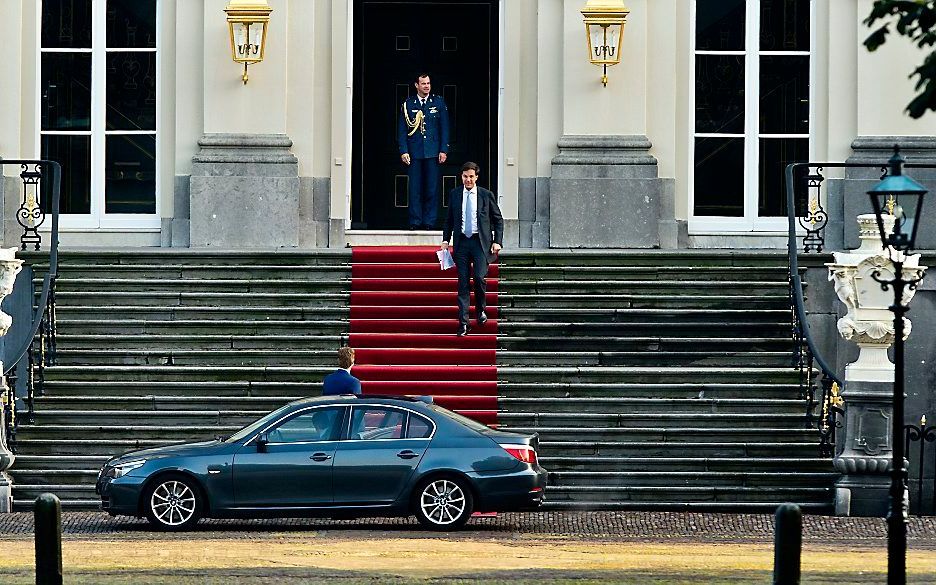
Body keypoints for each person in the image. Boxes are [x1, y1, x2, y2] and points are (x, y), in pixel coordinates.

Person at [441, 161, 504, 337]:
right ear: (461, 177)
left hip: (480, 243)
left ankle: (481, 310)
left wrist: (497, 241)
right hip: (461, 243)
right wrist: (446, 240)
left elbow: (498, 219)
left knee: (478, 277)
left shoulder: (486, 195)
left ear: (476, 177)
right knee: (462, 283)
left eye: (471, 176)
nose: (468, 180)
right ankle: (463, 323)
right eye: (465, 176)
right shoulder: (454, 194)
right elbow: (449, 220)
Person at [397, 73, 450, 230]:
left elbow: (444, 127)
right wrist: (403, 150)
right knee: (415, 189)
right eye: (423, 83)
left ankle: (429, 222)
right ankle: (415, 221)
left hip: (433, 152)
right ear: (416, 85)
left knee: (431, 188)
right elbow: (402, 129)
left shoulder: (438, 102)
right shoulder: (409, 104)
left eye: (428, 83)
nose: (426, 86)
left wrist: (443, 149)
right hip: (414, 153)